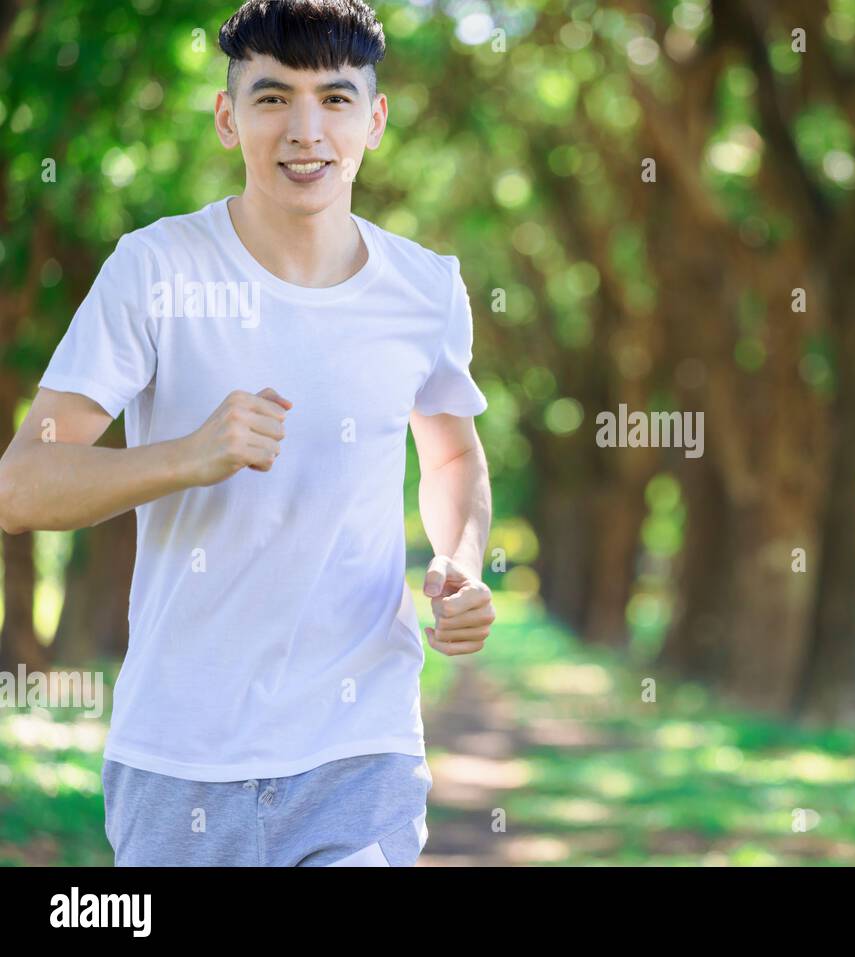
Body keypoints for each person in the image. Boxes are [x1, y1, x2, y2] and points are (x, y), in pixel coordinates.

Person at [0, 0, 495, 866]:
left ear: (375, 120)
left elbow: (451, 451)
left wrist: (460, 558)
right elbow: (20, 485)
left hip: (359, 748)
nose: (306, 130)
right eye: (272, 98)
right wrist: (185, 457)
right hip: (178, 759)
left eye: (335, 99)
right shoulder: (155, 269)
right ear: (228, 119)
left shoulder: (426, 288)